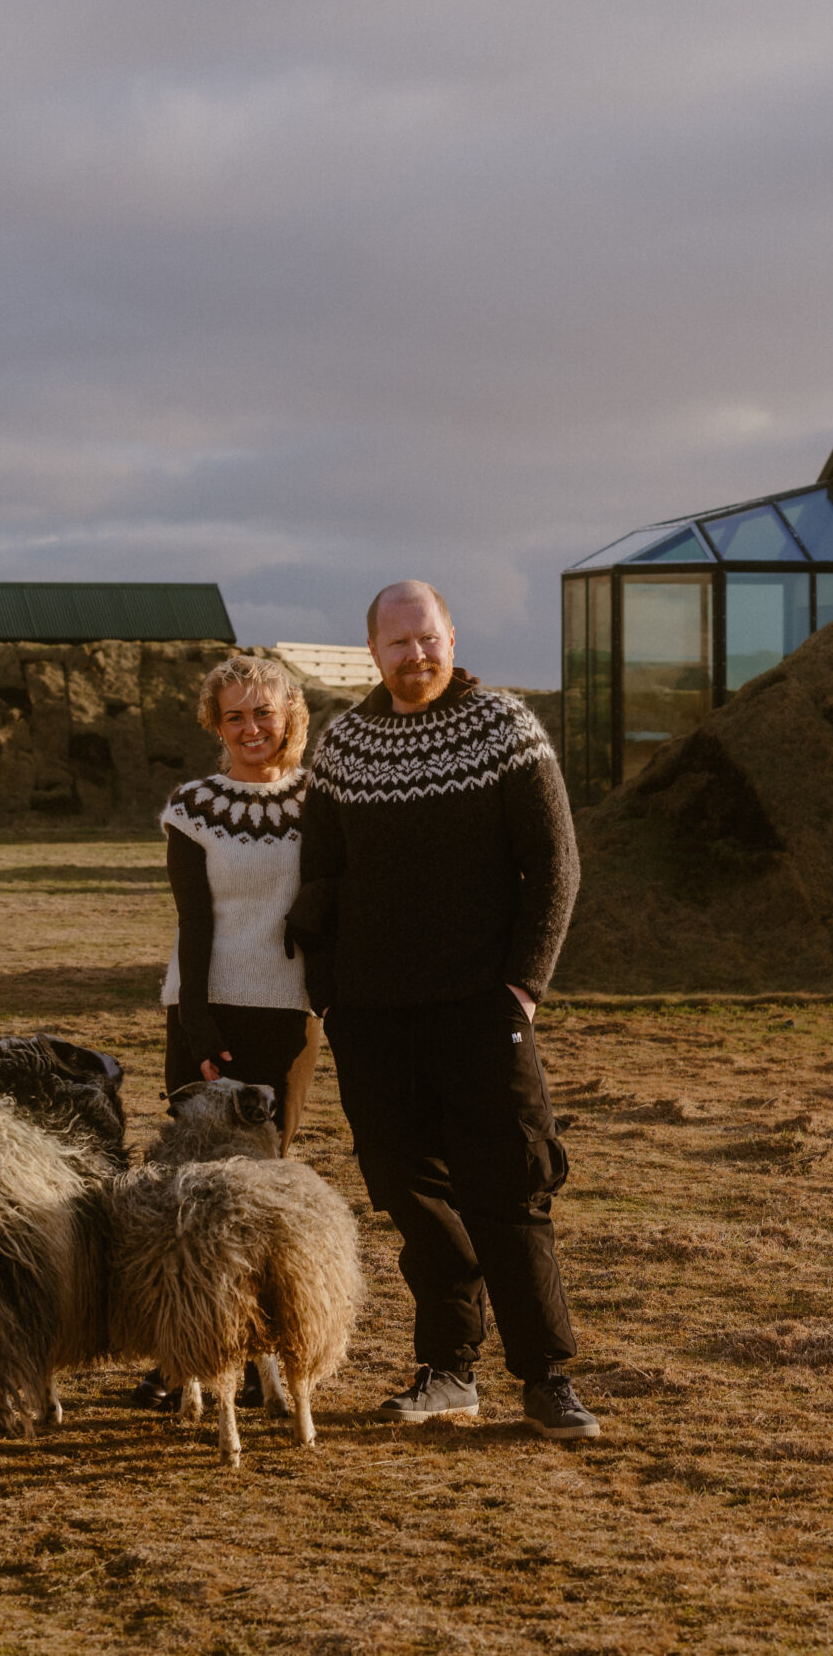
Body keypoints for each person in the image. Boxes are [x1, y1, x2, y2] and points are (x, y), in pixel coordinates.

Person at [291, 579, 596, 1440]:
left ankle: (546, 1376)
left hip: (481, 1009)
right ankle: (447, 1370)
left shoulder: (505, 727)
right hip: (373, 1017)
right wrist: (329, 994)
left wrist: (522, 987)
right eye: (397, 643)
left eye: (427, 638)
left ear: (452, 637)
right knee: (410, 1193)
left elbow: (555, 864)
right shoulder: (345, 746)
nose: (415, 655)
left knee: (512, 1190)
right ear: (373, 652)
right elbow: (319, 881)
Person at [138, 653, 321, 1411]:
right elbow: (195, 918)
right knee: (196, 1193)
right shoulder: (193, 805)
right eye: (236, 715)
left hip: (290, 1012)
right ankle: (181, 1359)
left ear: (290, 716)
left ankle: (258, 1359)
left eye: (264, 712)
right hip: (206, 1010)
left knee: (267, 1187)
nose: (252, 727)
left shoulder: (321, 799)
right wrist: (201, 1024)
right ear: (217, 722)